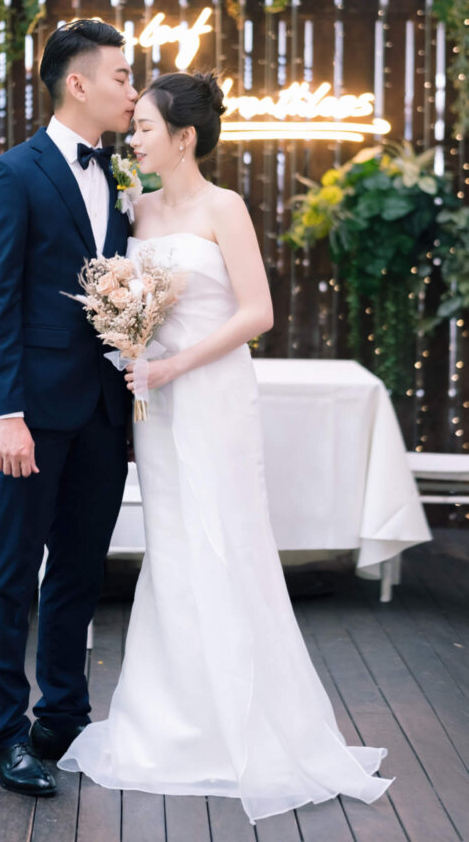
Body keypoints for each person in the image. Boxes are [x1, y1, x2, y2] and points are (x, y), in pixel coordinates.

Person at [58, 71, 395, 824]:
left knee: (227, 541)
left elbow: (257, 313)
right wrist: (134, 345)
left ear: (183, 137)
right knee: (173, 547)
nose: (133, 139)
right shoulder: (134, 210)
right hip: (156, 406)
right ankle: (170, 720)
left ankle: (247, 724)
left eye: (145, 128)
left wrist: (174, 363)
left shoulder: (224, 208)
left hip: (211, 395)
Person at [0, 19, 137, 796]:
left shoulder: (125, 177)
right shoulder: (13, 175)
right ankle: (5, 733)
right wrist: (6, 413)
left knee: (78, 571)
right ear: (78, 83)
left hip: (104, 410)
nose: (132, 91)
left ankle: (62, 717)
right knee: (12, 571)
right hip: (33, 413)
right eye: (121, 77)